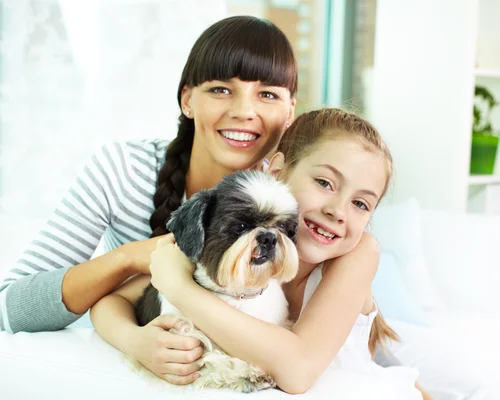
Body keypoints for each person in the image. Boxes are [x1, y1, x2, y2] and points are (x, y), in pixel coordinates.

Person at [92, 107, 431, 398]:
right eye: (325, 183)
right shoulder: (228, 244)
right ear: (277, 170)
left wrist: (179, 289)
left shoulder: (357, 254)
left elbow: (297, 370)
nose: (338, 211)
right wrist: (135, 341)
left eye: (360, 203)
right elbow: (110, 301)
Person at [0, 16, 296, 337]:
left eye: (267, 95)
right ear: (187, 100)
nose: (243, 111)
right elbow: (8, 309)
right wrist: (127, 259)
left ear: (290, 112)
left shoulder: (297, 196)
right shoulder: (125, 169)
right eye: (220, 89)